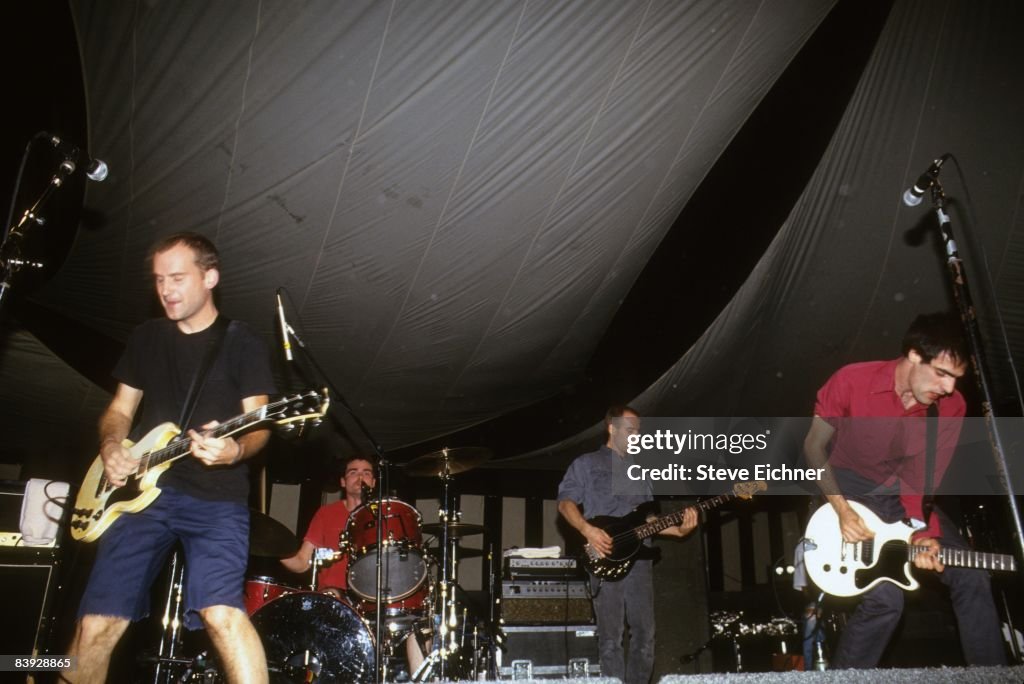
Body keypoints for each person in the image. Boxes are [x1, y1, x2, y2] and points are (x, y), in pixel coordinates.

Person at [67, 232, 277, 684]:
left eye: (178, 278)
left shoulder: (243, 342)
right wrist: (111, 448)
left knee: (222, 615)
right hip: (138, 497)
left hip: (216, 499)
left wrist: (234, 449)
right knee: (98, 623)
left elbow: (259, 426)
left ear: (210, 277)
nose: (166, 289)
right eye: (160, 280)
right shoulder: (146, 338)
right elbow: (120, 411)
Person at [803, 311, 1007, 668]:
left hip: (901, 499)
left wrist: (919, 534)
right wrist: (842, 510)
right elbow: (813, 448)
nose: (948, 388)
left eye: (956, 378)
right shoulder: (852, 380)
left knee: (972, 575)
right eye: (942, 374)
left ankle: (990, 677)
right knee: (886, 601)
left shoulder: (951, 406)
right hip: (845, 490)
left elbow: (921, 479)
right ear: (913, 354)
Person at [557, 405, 698, 684]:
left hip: (640, 560)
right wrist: (588, 530)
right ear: (612, 428)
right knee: (610, 639)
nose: (637, 436)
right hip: (605, 553)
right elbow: (565, 503)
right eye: (631, 430)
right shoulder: (586, 464)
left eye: (639, 431)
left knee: (645, 636)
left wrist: (680, 530)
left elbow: (649, 519)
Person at [280, 454, 377, 593]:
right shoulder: (326, 513)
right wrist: (275, 549)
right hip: (332, 597)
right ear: (343, 482)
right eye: (353, 472)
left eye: (366, 473)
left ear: (373, 482)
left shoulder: (384, 516)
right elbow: (302, 561)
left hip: (371, 599)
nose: (360, 477)